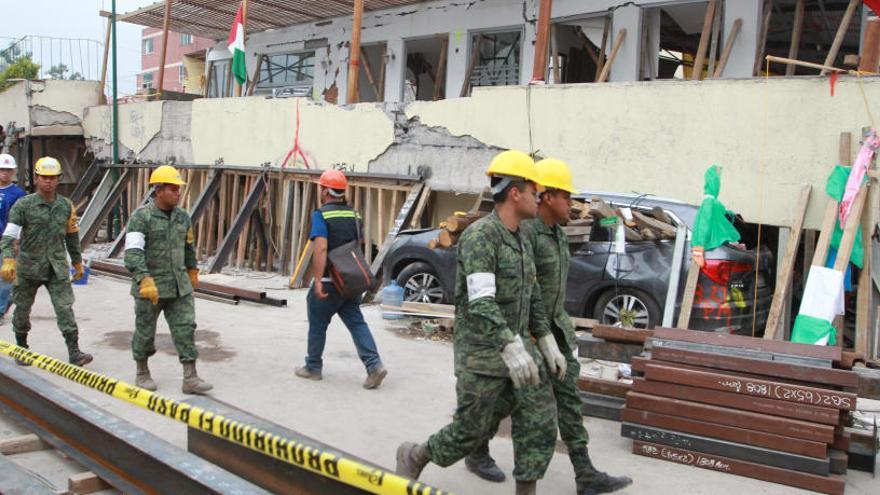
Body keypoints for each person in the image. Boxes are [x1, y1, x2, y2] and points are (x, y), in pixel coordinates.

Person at [396, 150, 568, 495]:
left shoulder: (521, 238)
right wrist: (508, 343)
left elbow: (531, 293)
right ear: (515, 192)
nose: (539, 197)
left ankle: (526, 490)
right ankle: (415, 455)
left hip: (520, 350)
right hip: (483, 355)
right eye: (534, 190)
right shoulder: (481, 238)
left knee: (539, 420)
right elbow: (481, 301)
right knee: (472, 431)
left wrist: (545, 338)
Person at [465, 158, 633, 494]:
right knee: (505, 403)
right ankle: (474, 446)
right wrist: (527, 337)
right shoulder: (523, 233)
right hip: (525, 336)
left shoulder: (556, 233)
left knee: (569, 400)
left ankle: (584, 473)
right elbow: (518, 292)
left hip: (554, 332)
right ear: (548, 197)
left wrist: (555, 336)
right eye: (567, 197)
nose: (572, 204)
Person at [295, 169, 387, 389]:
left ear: (325, 191)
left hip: (329, 280)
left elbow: (321, 248)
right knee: (356, 322)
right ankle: (374, 365)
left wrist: (318, 279)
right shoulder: (354, 215)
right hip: (350, 281)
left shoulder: (321, 215)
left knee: (317, 323)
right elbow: (357, 245)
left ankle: (313, 367)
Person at [123, 165, 212, 394]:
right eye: (173, 189)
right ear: (158, 190)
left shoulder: (183, 218)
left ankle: (190, 377)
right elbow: (133, 252)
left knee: (186, 329)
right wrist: (143, 278)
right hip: (150, 288)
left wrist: (192, 270)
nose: (178, 193)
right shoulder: (140, 217)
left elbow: (188, 246)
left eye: (178, 189)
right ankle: (142, 372)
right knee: (144, 332)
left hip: (178, 287)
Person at [0, 156, 91, 365]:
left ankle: (74, 351)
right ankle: (21, 347)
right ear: (37, 178)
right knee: (22, 310)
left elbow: (72, 237)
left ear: (59, 179)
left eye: (52, 177)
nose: (48, 181)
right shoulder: (23, 205)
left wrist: (77, 262)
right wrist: (8, 259)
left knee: (65, 308)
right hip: (29, 267)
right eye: (44, 177)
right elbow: (9, 236)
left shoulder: (66, 206)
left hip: (56, 268)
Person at [0, 154, 26, 321]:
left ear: (13, 171)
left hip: (7, 240)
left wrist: (16, 240)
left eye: (8, 170)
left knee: (6, 276)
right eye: (2, 169)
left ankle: (1, 310)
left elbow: (21, 219)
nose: (4, 173)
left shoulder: (17, 193)